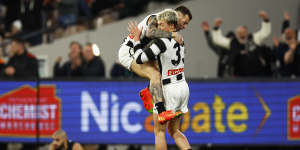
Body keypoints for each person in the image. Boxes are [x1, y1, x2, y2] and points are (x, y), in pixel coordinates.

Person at [119, 6, 192, 124]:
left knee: (164, 70)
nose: (185, 27)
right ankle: (161, 111)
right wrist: (171, 36)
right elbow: (150, 32)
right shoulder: (158, 19)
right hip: (129, 51)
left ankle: (148, 91)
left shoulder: (169, 28)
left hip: (141, 49)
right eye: (184, 23)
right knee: (155, 74)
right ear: (177, 16)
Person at [131, 9, 191, 150]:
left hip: (169, 89)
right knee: (175, 131)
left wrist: (136, 42)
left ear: (171, 25)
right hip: (183, 87)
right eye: (158, 24)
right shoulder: (181, 40)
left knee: (159, 132)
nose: (159, 28)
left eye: (162, 25)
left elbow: (140, 59)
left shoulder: (161, 42)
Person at [212, 11, 272, 77]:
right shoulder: (232, 42)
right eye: (239, 32)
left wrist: (265, 19)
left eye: (243, 32)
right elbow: (218, 39)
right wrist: (216, 27)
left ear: (247, 32)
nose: (241, 34)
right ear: (236, 34)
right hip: (238, 77)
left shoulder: (253, 39)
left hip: (256, 75)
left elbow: (265, 33)